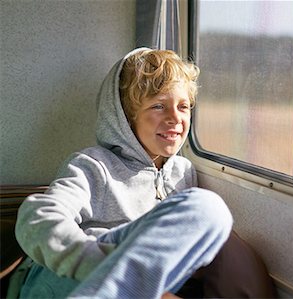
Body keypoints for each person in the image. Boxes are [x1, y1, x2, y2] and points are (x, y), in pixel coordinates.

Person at [13, 48, 234, 298]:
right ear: (127, 118)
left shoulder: (184, 172)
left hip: (142, 289)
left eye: (183, 106)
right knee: (207, 205)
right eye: (159, 106)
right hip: (66, 280)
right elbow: (38, 216)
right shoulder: (93, 165)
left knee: (211, 213)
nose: (175, 118)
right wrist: (105, 266)